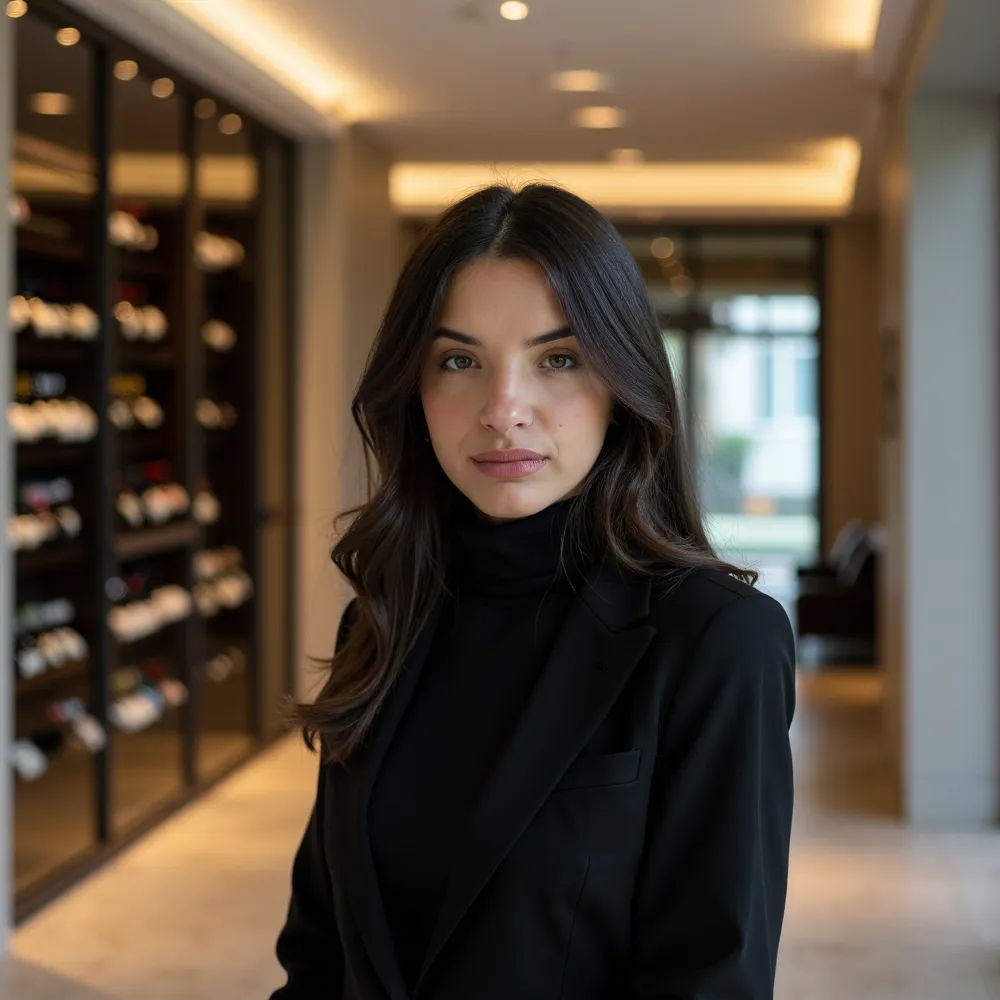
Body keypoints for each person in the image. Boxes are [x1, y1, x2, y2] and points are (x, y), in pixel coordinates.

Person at [270, 183, 796, 1000]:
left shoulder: (719, 641)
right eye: (458, 361)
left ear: (623, 383)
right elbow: (319, 955)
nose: (503, 409)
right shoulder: (382, 619)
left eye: (559, 359)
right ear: (414, 391)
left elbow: (710, 984)